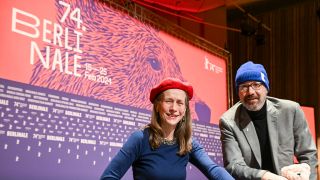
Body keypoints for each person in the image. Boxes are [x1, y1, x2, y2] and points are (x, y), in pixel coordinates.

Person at [100, 78, 234, 180]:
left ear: (185, 109)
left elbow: (213, 169)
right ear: (158, 106)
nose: (174, 108)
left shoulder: (188, 142)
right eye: (169, 101)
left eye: (180, 103)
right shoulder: (140, 139)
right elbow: (109, 177)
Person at [219, 61, 318, 180]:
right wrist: (265, 176)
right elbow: (234, 166)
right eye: (244, 86)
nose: (250, 92)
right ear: (238, 92)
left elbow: (308, 154)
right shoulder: (228, 121)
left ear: (266, 88)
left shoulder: (291, 111)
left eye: (256, 84)